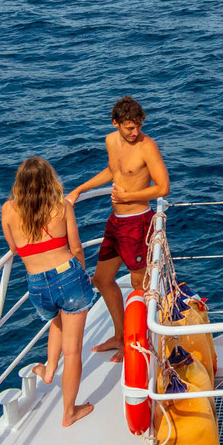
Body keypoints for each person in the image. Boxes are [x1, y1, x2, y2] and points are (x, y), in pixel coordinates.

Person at [68, 95, 169, 355]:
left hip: (137, 222)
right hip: (115, 223)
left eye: (138, 126)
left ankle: (139, 343)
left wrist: (128, 197)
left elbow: (163, 187)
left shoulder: (148, 146)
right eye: (129, 128)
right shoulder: (110, 141)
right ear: (115, 123)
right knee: (102, 279)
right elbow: (114, 170)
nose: (136, 132)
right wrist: (79, 189)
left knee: (140, 285)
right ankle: (120, 335)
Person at [0, 157, 95, 429]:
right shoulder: (61, 207)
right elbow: (76, 248)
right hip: (68, 275)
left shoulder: (8, 210)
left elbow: (16, 249)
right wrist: (82, 275)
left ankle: (50, 369)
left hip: (36, 284)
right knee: (74, 351)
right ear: (49, 180)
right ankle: (69, 411)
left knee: (56, 320)